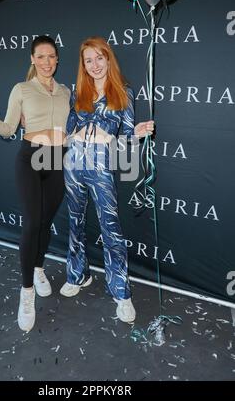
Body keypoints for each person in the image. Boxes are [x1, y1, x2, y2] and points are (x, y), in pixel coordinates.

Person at [0, 35, 70, 332]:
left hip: (55, 158)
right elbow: (7, 129)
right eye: (41, 56)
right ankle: (26, 291)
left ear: (57, 60)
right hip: (30, 157)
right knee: (31, 222)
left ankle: (39, 268)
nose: (47, 62)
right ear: (32, 59)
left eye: (52, 56)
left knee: (45, 221)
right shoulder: (22, 89)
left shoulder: (66, 91)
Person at [60, 36, 154, 323]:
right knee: (74, 223)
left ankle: (121, 293)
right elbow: (66, 133)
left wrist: (134, 134)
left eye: (99, 58)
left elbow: (125, 141)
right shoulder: (78, 92)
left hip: (101, 168)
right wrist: (78, 134)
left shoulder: (124, 92)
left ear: (108, 58)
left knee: (110, 228)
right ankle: (77, 274)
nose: (95, 65)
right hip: (73, 164)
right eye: (89, 60)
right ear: (83, 65)